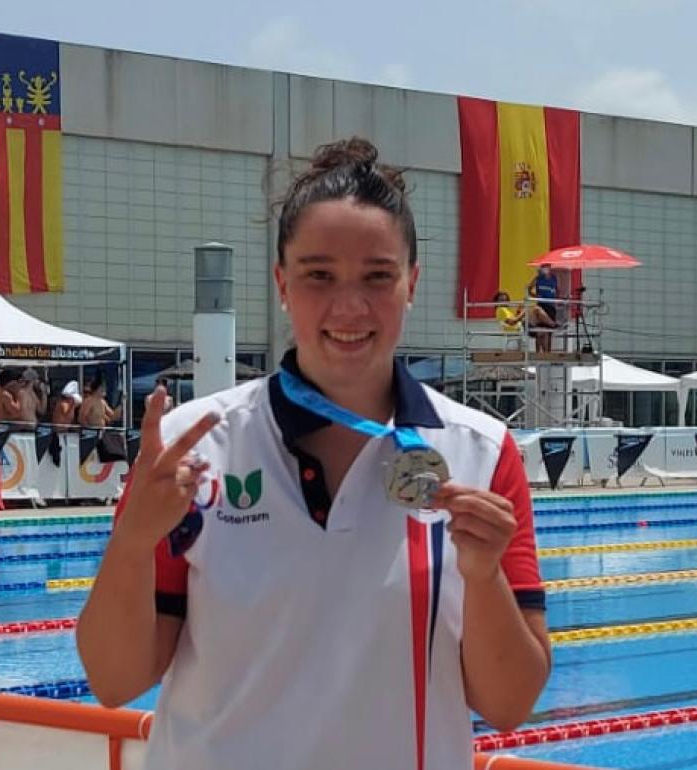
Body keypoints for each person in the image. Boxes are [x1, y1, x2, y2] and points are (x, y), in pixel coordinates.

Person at [76, 137, 550, 770]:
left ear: (412, 283)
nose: (348, 307)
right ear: (282, 283)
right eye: (318, 275)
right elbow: (114, 681)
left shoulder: (479, 452)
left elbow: (509, 704)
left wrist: (482, 574)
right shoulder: (196, 445)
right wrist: (133, 543)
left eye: (378, 276)